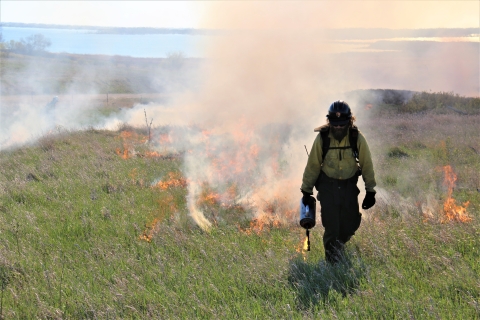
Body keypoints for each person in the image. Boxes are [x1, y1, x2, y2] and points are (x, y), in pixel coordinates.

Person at [300, 100, 376, 263]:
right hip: (328, 188)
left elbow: (366, 164)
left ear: (349, 121)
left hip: (349, 187)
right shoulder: (322, 139)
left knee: (351, 224)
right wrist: (306, 191)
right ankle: (332, 263)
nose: (339, 128)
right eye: (335, 124)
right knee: (332, 226)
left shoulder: (357, 138)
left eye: (342, 124)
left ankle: (339, 247)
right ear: (329, 122)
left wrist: (370, 191)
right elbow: (313, 165)